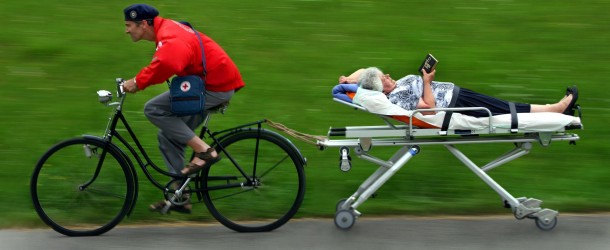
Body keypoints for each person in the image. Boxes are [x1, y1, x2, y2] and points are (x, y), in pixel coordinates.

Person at [120, 4, 245, 213]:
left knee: (153, 109)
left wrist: (137, 82)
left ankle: (205, 151)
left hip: (216, 86)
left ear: (143, 24)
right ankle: (180, 196)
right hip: (208, 83)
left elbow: (169, 64)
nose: (126, 30)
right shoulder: (165, 30)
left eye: (129, 25)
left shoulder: (169, 36)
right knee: (169, 137)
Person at [338, 67, 579, 117]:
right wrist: (427, 82)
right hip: (457, 103)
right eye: (384, 77)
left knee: (503, 105)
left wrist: (349, 79)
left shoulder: (394, 86)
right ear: (381, 87)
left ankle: (553, 109)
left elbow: (365, 73)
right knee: (504, 109)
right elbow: (429, 110)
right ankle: (555, 109)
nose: (389, 75)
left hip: (458, 94)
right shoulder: (397, 97)